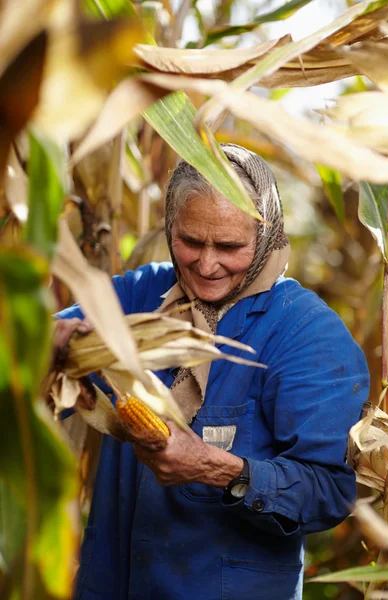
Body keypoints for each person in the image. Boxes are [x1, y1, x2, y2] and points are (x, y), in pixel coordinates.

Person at [55, 144, 369, 600]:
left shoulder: (306, 332)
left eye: (229, 246)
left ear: (264, 237)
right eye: (191, 241)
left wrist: (217, 469)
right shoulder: (144, 293)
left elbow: (331, 490)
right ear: (169, 225)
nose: (206, 265)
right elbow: (42, 333)